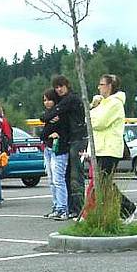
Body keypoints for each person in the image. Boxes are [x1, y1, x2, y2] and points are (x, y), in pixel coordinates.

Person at [89, 73, 137, 223]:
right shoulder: (102, 103)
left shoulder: (115, 104)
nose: (99, 87)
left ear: (109, 86)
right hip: (100, 148)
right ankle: (113, 212)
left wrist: (91, 115)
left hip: (109, 148)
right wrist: (92, 107)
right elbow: (90, 119)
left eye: (101, 84)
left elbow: (99, 122)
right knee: (102, 183)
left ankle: (127, 208)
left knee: (104, 182)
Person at [50, 75, 87, 218]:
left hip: (78, 139)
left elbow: (55, 111)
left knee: (76, 175)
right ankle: (71, 208)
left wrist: (48, 116)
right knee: (67, 175)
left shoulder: (72, 99)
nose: (59, 89)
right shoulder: (65, 101)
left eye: (61, 86)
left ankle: (79, 209)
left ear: (67, 85)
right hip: (70, 140)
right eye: (56, 87)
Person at [40, 88, 69, 220]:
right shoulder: (48, 115)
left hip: (59, 149)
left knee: (58, 180)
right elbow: (43, 133)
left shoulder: (62, 114)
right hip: (48, 148)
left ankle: (63, 208)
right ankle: (56, 206)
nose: (46, 103)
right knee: (51, 180)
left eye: (49, 100)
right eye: (44, 100)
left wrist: (57, 133)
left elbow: (65, 130)